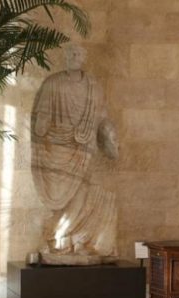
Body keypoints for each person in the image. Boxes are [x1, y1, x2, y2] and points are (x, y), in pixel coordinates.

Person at [30, 44, 119, 265]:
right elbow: (41, 117)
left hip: (84, 149)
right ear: (65, 57)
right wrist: (41, 128)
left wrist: (109, 134)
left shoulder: (94, 87)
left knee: (84, 192)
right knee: (63, 197)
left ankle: (78, 240)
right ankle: (59, 238)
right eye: (71, 53)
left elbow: (102, 117)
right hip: (57, 148)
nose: (75, 56)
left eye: (79, 53)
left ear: (84, 57)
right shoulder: (53, 84)